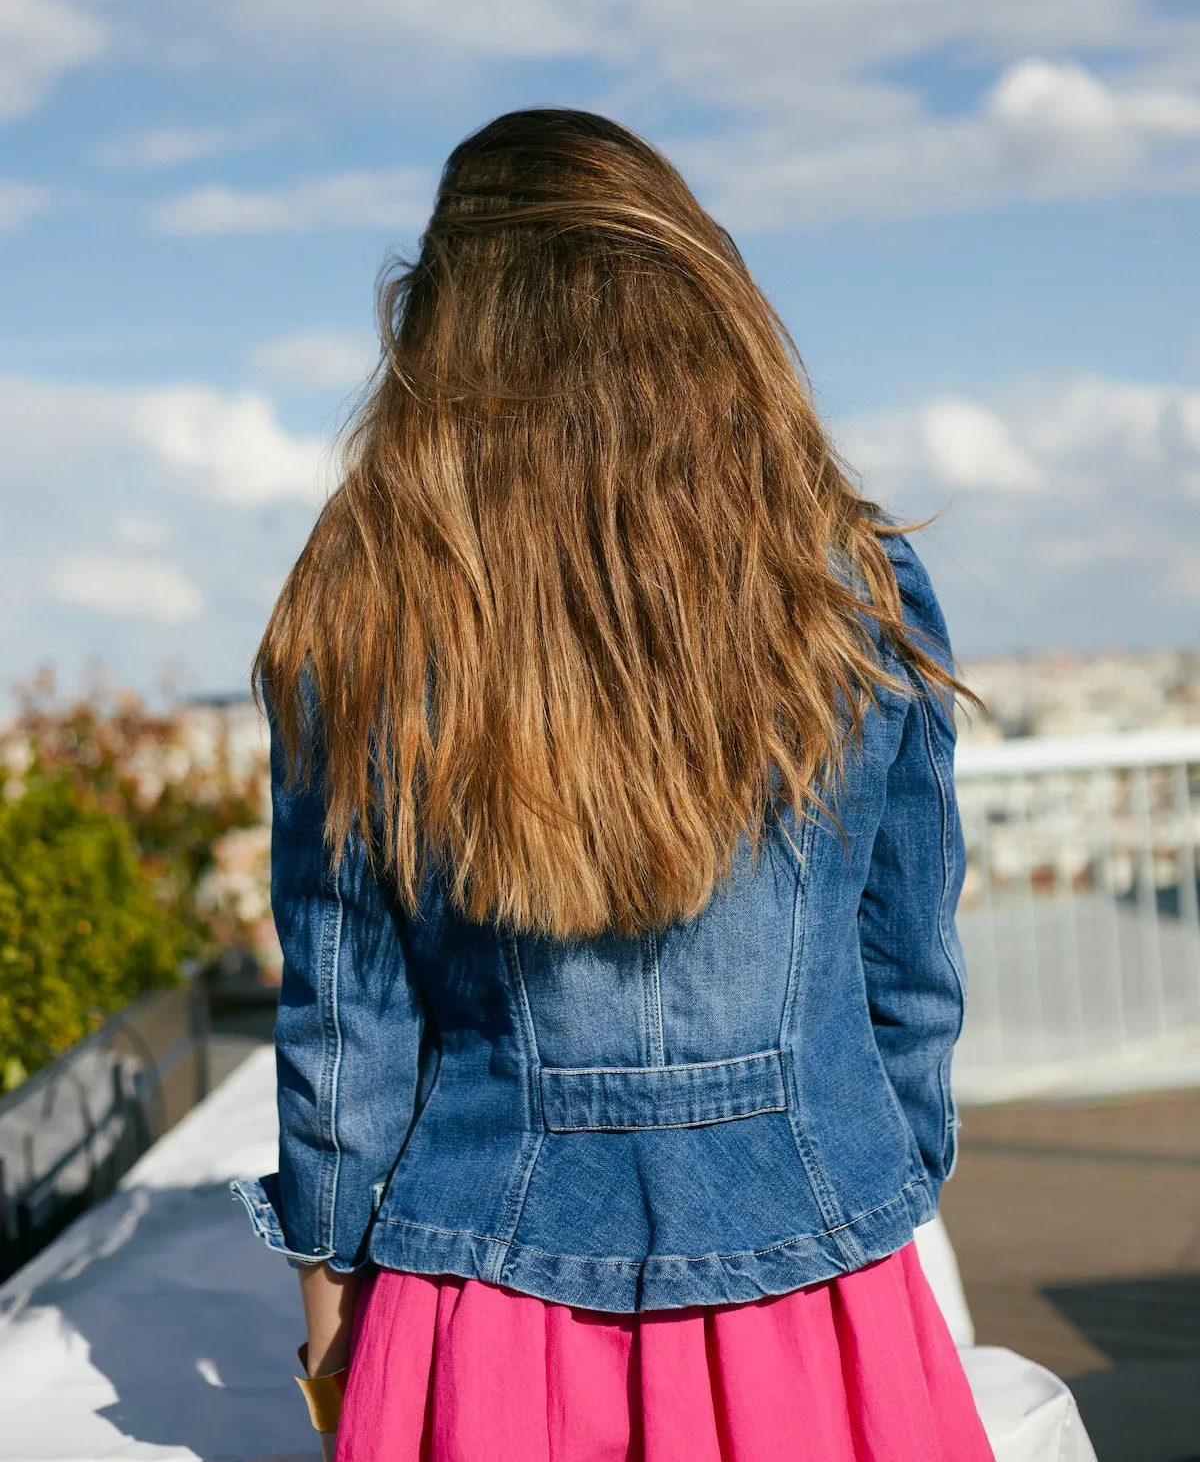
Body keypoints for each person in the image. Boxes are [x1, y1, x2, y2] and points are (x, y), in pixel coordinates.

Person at [232, 108, 994, 1461]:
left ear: (444, 333)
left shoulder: (366, 608)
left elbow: (347, 1018)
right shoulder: (853, 586)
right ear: (706, 302)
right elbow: (912, 967)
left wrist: (330, 1295)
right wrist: (872, 1184)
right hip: (818, 1295)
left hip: (482, 1302)